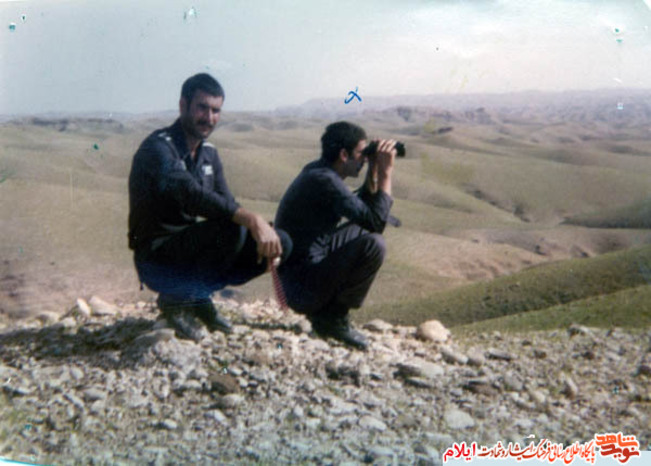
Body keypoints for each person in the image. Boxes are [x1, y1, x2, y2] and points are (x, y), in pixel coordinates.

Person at [128, 73, 291, 342]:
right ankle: (175, 301)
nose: (209, 117)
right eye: (202, 108)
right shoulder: (157, 148)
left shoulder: (209, 153)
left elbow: (226, 201)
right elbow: (190, 194)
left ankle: (197, 295)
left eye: (216, 110)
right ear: (183, 105)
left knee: (280, 241)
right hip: (155, 257)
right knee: (233, 230)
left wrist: (263, 230)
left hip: (188, 250)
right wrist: (251, 219)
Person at [274, 121, 397, 350]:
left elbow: (366, 216)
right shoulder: (325, 181)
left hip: (299, 277)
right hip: (301, 288)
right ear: (343, 155)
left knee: (365, 231)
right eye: (361, 154)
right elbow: (376, 222)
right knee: (375, 245)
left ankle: (327, 314)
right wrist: (386, 172)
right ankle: (333, 318)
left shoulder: (319, 171)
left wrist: (372, 167)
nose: (363, 159)